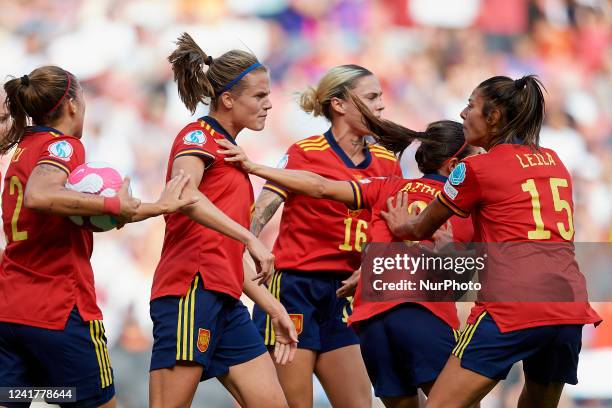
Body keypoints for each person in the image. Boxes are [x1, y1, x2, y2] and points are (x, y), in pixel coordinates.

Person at [218, 117, 480, 408]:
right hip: (422, 314)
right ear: (454, 166)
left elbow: (319, 186)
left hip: (371, 321)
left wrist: (254, 167)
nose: (482, 164)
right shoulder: (466, 205)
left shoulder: (388, 187)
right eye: (478, 157)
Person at [375, 75, 602, 408]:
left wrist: (402, 226)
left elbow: (423, 227)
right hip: (567, 307)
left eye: (470, 105)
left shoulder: (474, 169)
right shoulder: (555, 161)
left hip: (510, 309)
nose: (463, 113)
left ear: (493, 116)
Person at [0, 66, 193, 408]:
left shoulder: (24, 146)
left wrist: (152, 207)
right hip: (59, 308)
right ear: (73, 104)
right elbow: (39, 196)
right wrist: (112, 202)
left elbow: (57, 212)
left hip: (10, 310)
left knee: (17, 399)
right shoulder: (63, 147)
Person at [148, 33, 296, 408]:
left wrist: (272, 307)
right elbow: (182, 194)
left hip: (226, 299)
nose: (268, 104)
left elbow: (223, 250)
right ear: (228, 99)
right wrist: (250, 238)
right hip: (190, 291)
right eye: (259, 96)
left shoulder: (232, 155)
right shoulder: (198, 135)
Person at [248, 64, 401, 407]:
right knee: (293, 403)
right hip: (295, 288)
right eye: (372, 97)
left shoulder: (387, 162)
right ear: (340, 104)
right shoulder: (307, 151)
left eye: (381, 97)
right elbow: (267, 202)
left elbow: (392, 227)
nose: (381, 105)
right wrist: (248, 240)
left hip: (347, 293)